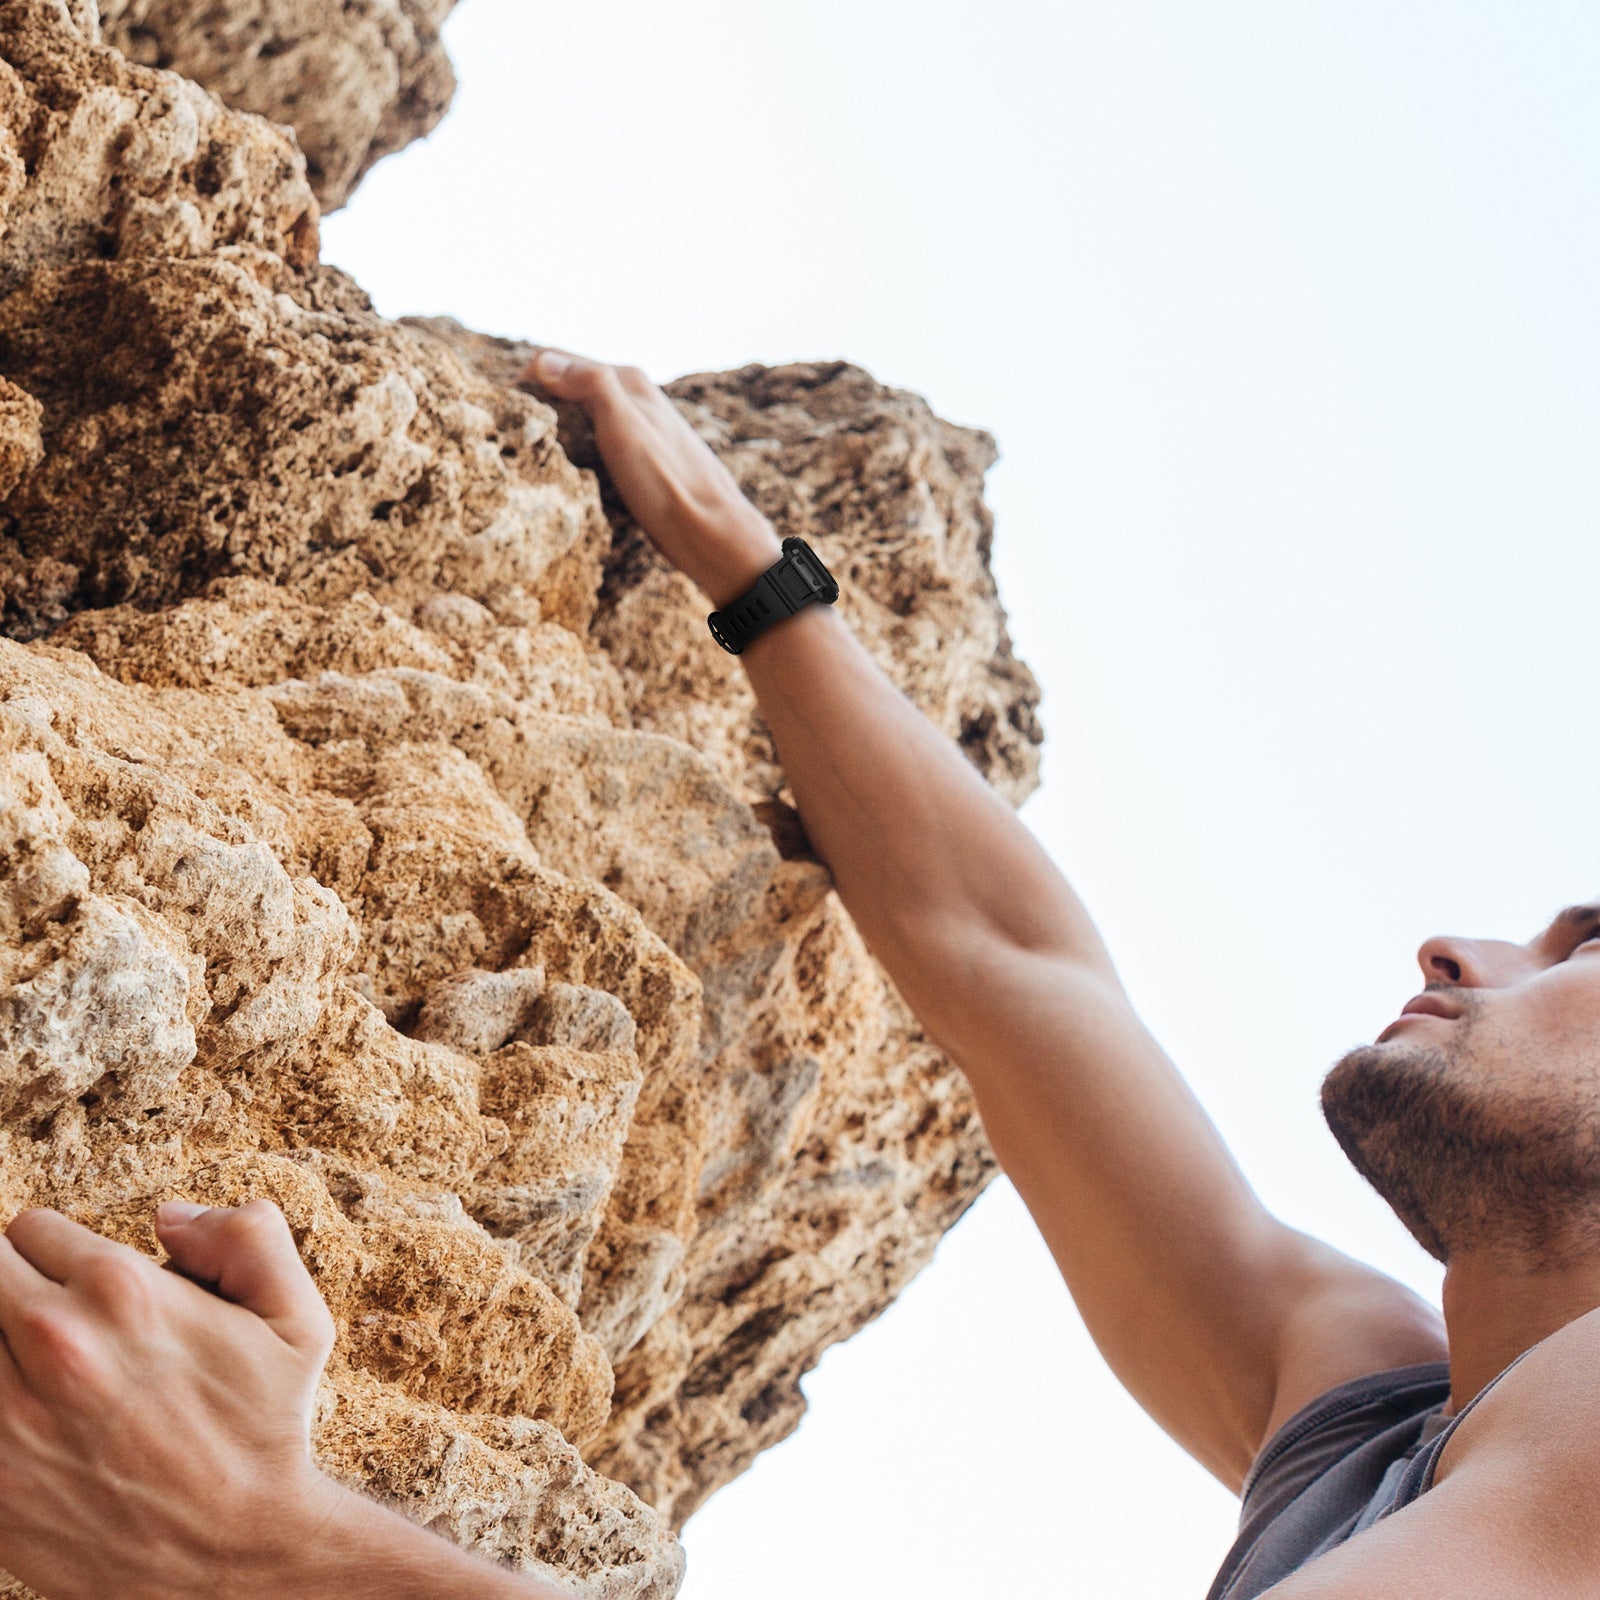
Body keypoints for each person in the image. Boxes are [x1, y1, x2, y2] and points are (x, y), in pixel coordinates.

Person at [2, 350, 1597, 1600]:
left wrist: (252, 1547)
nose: (1464, 947)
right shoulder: (1377, 1407)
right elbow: (1010, 962)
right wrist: (747, 566)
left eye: (1585, 951)